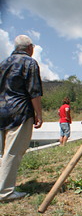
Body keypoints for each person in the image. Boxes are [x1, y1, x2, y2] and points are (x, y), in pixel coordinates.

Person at [0, 35, 43, 202]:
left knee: (3, 152)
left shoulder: (3, 63)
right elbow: (34, 91)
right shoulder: (29, 62)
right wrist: (38, 113)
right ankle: (5, 192)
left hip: (1, 110)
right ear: (30, 47)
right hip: (19, 111)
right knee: (13, 152)